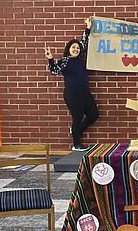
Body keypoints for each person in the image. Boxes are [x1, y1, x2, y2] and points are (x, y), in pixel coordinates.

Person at [44, 18, 98, 151]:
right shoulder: (65, 61)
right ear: (68, 49)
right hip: (73, 94)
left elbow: (84, 42)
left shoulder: (81, 59)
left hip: (85, 92)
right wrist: (50, 59)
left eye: (77, 48)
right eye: (73, 47)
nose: (76, 49)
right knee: (78, 117)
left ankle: (76, 131)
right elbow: (54, 71)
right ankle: (76, 144)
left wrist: (88, 28)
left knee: (93, 114)